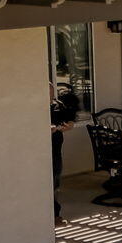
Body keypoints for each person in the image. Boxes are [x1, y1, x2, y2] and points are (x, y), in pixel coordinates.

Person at [50, 83, 80, 223]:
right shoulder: (35, 106)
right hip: (39, 150)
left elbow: (70, 118)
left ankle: (55, 214)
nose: (50, 96)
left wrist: (69, 125)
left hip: (55, 148)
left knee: (55, 181)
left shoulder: (58, 105)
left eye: (51, 93)